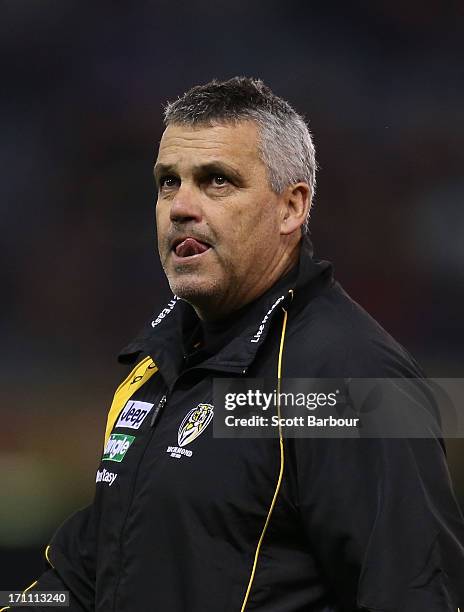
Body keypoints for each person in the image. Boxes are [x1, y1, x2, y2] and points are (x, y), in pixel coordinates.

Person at [9, 77, 464, 612]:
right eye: (167, 183)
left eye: (217, 181)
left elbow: (415, 594)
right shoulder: (156, 368)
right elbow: (88, 574)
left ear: (292, 208)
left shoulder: (357, 378)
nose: (180, 207)